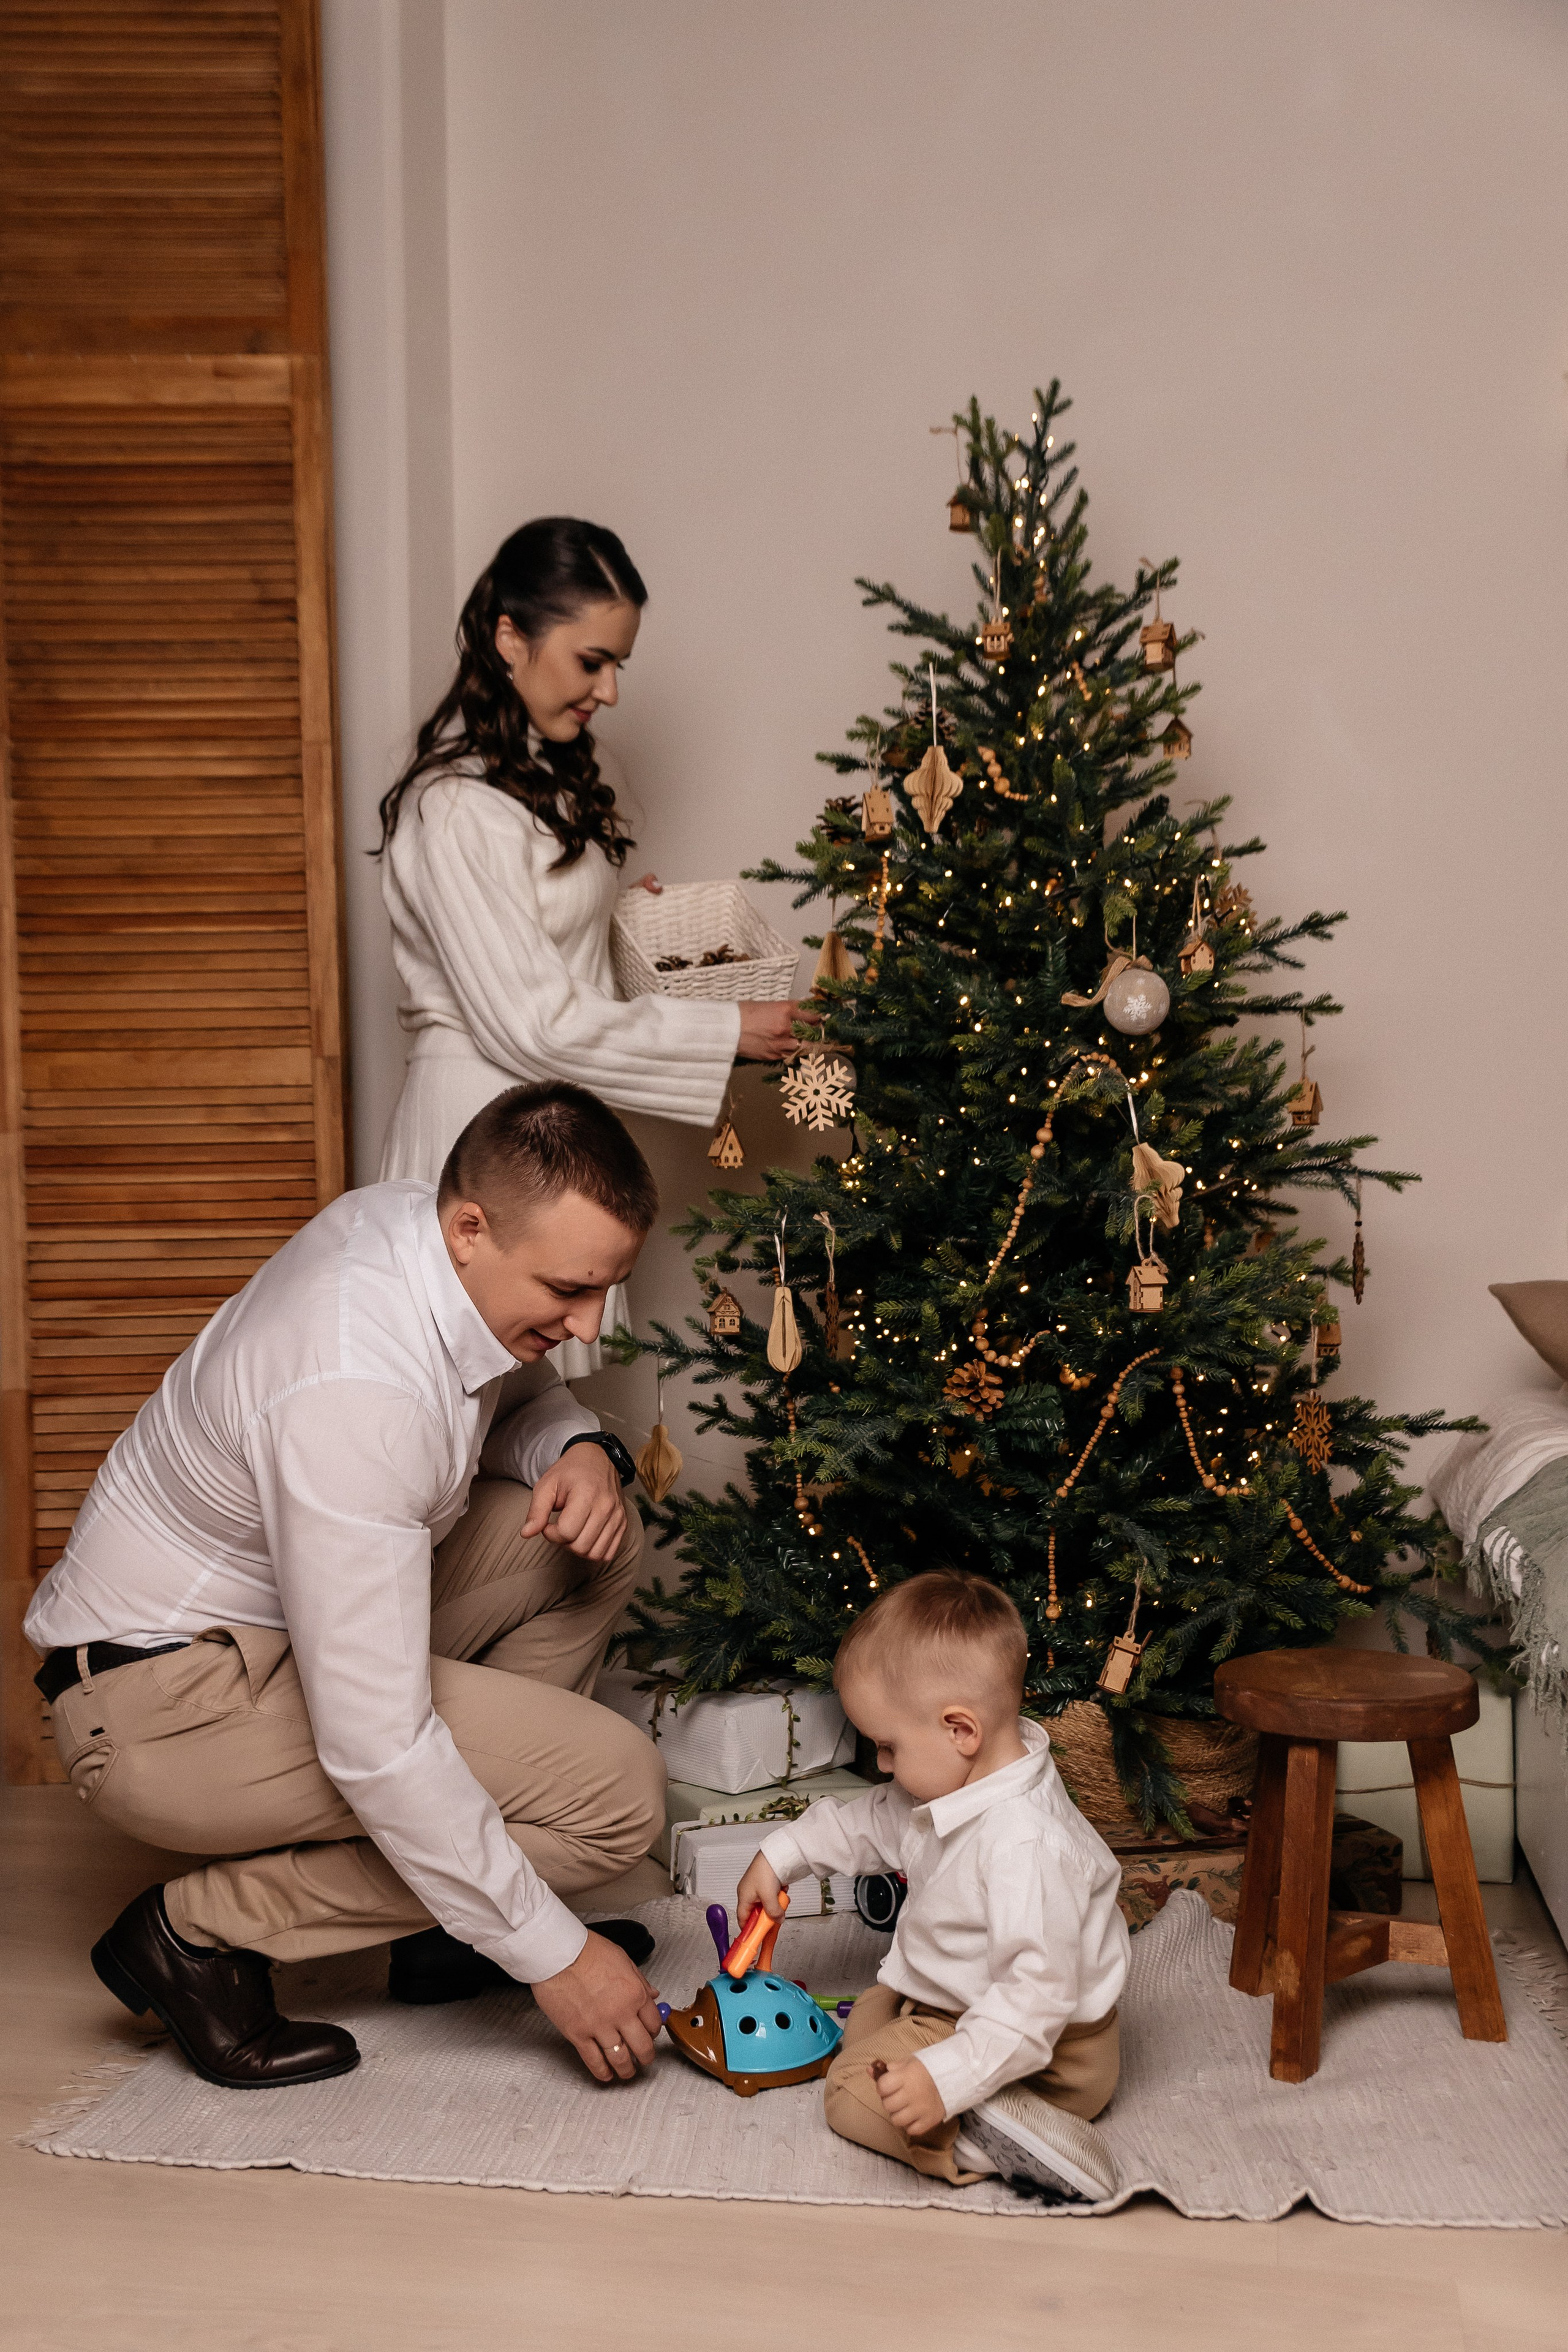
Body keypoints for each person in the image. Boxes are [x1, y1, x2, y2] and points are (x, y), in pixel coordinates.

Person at [24, 1083, 674, 2093]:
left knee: (592, 1537)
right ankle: (192, 1936)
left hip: (271, 1629)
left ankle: (443, 1931)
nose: (589, 1325)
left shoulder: (414, 1228)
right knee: (617, 1802)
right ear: (471, 1229)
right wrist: (555, 1954)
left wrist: (583, 1444)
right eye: (568, 1291)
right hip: (158, 1705)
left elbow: (507, 1390)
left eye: (604, 1289)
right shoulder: (354, 1389)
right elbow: (375, 1742)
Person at [376, 516, 806, 1374]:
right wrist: (727, 1031)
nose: (609, 692)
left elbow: (534, 960)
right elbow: (531, 1021)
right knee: (469, 1430)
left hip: (543, 1126)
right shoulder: (456, 806)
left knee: (539, 1431)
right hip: (484, 1132)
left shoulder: (532, 787)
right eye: (592, 661)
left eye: (618, 665)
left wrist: (607, 920)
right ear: (510, 637)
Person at [734, 1570, 1130, 2204]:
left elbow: (1037, 1997)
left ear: (959, 1730)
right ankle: (972, 2087)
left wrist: (947, 2078)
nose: (883, 1766)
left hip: (1051, 2053)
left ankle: (995, 2133)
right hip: (965, 2004)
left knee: (849, 2096)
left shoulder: (1024, 1845)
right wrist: (781, 1857)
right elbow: (873, 1822)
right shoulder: (964, 1778)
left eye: (888, 1748)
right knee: (867, 2021)